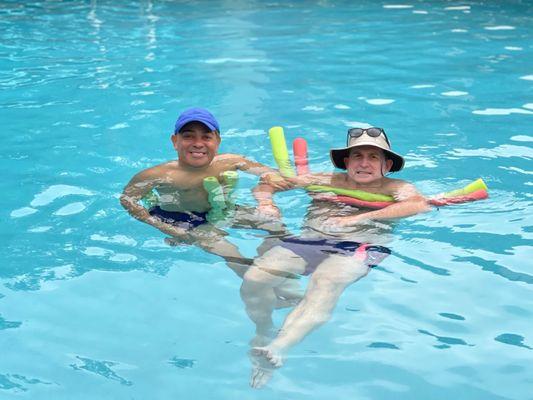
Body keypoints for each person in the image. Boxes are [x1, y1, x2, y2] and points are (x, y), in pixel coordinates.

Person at [240, 127, 431, 388]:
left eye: (373, 157)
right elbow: (268, 183)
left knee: (325, 281)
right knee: (255, 277)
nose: (364, 163)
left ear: (387, 164)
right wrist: (266, 204)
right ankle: (263, 331)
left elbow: (418, 205)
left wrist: (357, 218)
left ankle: (278, 348)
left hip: (360, 246)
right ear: (346, 161)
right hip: (311, 239)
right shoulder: (324, 180)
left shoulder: (397, 187)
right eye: (357, 156)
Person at [120, 107, 292, 279]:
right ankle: (262, 282)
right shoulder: (157, 175)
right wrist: (167, 228)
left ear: (217, 141)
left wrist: (267, 198)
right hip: (180, 220)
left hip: (222, 210)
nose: (198, 143)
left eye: (206, 137)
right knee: (233, 254)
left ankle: (284, 261)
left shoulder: (231, 161)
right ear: (175, 141)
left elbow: (268, 173)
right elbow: (128, 199)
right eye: (188, 136)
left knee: (276, 226)